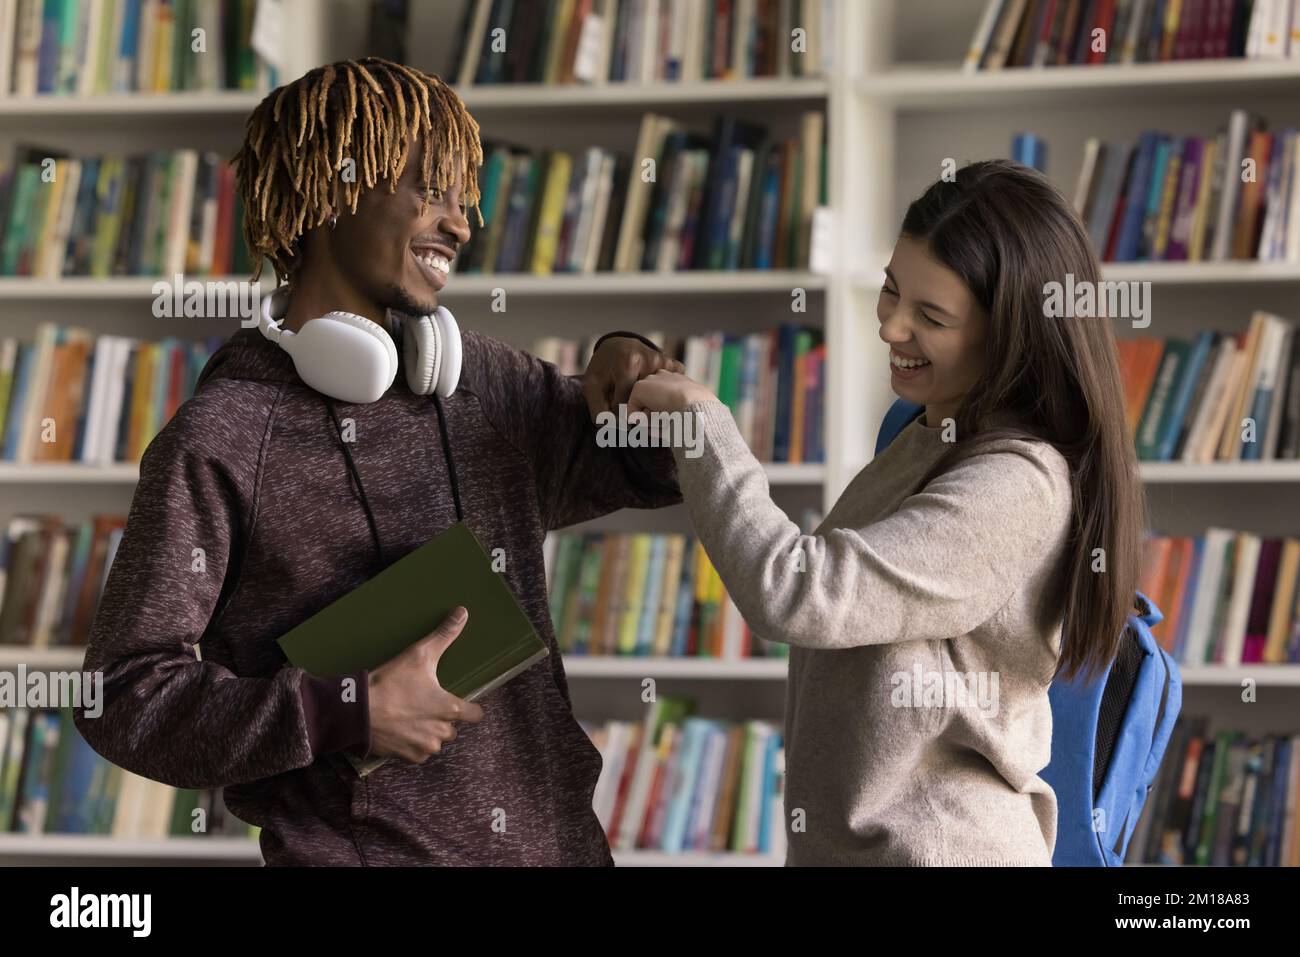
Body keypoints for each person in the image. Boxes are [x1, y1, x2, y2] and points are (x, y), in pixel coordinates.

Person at [74, 57, 682, 866]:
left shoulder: (489, 385)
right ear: (333, 186)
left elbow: (660, 470)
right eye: (429, 190)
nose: (460, 225)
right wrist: (341, 710)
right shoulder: (220, 437)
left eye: (463, 199)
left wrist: (635, 358)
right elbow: (120, 694)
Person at [628, 160, 1148, 865]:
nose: (892, 326)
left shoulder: (1017, 485)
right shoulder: (930, 432)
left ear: (1012, 335)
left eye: (930, 316)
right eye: (891, 290)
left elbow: (797, 591)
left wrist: (702, 422)